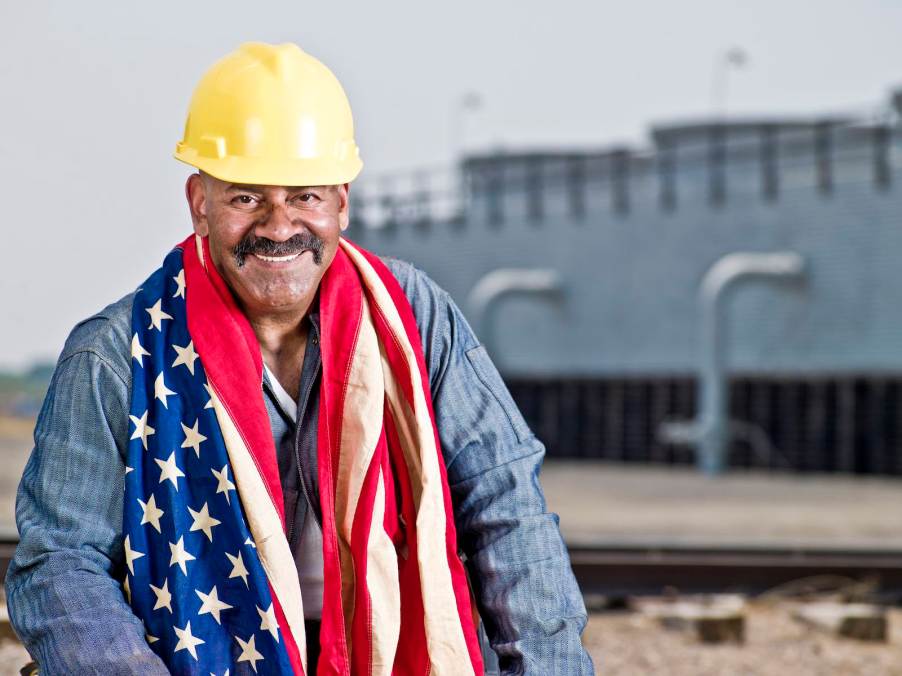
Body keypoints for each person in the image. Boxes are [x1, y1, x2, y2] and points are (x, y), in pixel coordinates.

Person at [6, 42, 593, 675]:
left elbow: (507, 506)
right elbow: (61, 564)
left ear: (342, 201)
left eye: (305, 196)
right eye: (246, 198)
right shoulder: (115, 355)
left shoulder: (415, 318)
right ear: (199, 202)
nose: (280, 226)